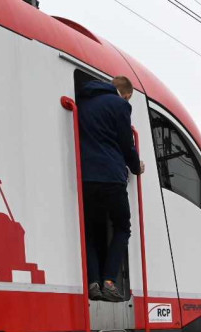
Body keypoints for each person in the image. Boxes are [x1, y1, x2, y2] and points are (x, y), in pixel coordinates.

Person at [77, 75, 145, 302]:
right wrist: (137, 167)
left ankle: (93, 282)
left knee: (92, 231)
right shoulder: (120, 105)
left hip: (85, 177)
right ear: (125, 94)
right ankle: (109, 282)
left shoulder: (83, 102)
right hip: (112, 177)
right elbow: (127, 143)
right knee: (122, 227)